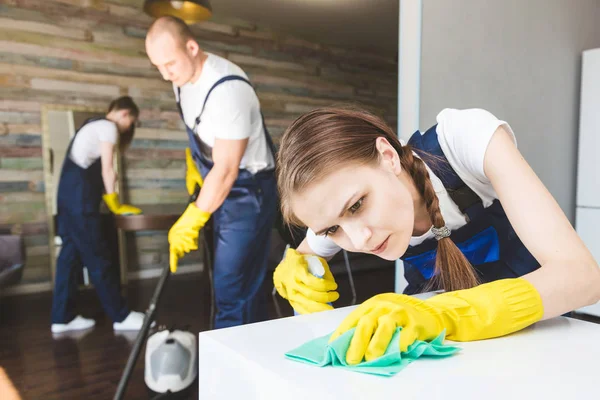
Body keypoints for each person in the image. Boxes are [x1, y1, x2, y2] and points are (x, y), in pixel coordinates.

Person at [273, 106, 600, 364]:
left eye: (357, 205)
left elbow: (582, 278)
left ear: (388, 157)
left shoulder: (464, 139)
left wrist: (442, 314)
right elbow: (306, 255)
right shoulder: (342, 213)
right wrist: (294, 269)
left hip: (537, 332)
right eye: (332, 229)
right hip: (448, 352)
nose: (360, 241)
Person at [145, 17, 278, 328]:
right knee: (239, 284)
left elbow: (228, 168)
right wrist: (193, 166)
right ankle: (251, 351)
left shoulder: (227, 88)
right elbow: (198, 132)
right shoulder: (182, 82)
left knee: (232, 286)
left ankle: (227, 371)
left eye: (169, 64)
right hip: (219, 185)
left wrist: (193, 217)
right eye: (158, 68)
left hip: (248, 192)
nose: (166, 75)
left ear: (192, 48)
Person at [51, 96, 149, 333]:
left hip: (67, 198)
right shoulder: (107, 128)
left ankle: (61, 318)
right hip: (80, 200)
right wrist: (115, 201)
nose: (128, 128)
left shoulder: (90, 125)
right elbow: (108, 169)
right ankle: (121, 316)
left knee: (69, 258)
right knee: (98, 255)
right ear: (125, 114)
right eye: (130, 122)